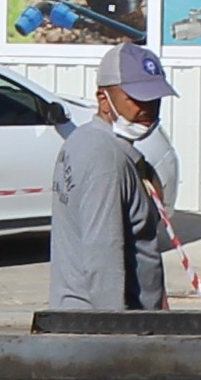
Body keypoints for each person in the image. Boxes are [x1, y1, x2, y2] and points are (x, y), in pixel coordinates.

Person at [49, 43, 174, 313]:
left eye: (154, 98)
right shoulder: (104, 158)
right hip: (106, 327)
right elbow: (102, 254)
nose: (148, 108)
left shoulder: (86, 141)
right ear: (104, 99)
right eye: (136, 98)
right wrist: (114, 335)